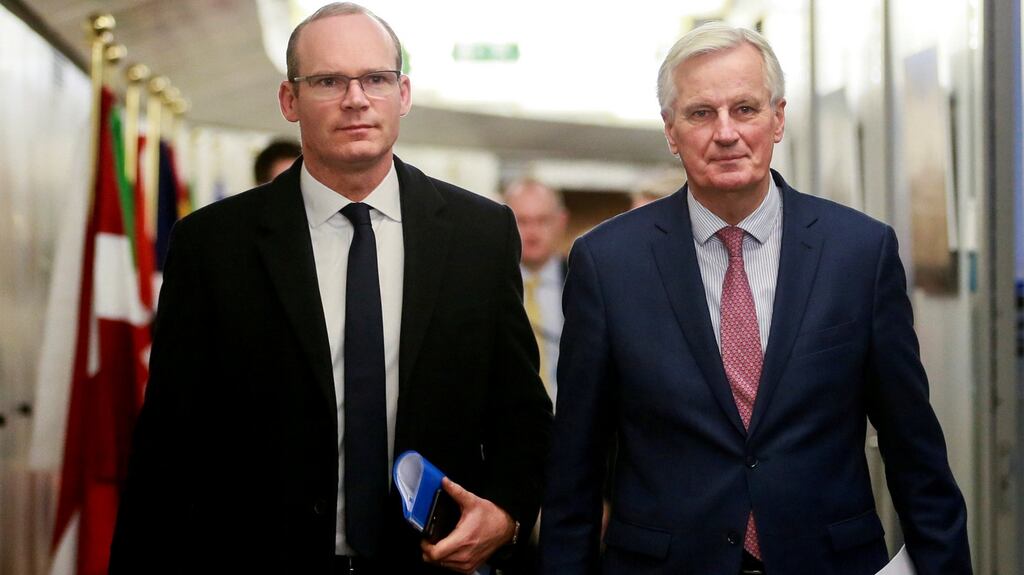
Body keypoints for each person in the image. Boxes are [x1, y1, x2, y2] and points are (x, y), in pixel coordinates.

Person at [110, 4, 552, 574]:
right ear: (289, 100)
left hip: (431, 563)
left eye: (376, 79)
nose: (356, 99)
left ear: (403, 94)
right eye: (328, 81)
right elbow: (169, 441)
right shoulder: (213, 245)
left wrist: (507, 515)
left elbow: (520, 411)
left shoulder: (480, 235)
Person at [540, 21, 971, 575]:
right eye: (701, 113)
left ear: (778, 119)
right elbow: (575, 467)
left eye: (745, 109)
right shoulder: (607, 263)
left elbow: (914, 448)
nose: (726, 132)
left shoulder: (860, 253)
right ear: (670, 131)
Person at [503, 179, 568, 402]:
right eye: (522, 221)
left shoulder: (582, 281)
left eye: (542, 220)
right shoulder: (487, 286)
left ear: (561, 221)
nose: (532, 232)